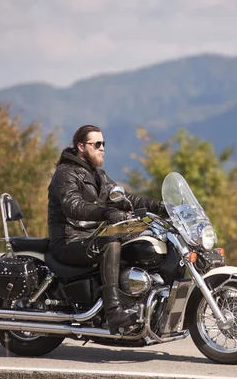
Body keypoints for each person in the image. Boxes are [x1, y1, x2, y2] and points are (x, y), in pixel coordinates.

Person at [47, 124, 166, 334]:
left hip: (89, 238)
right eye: (97, 144)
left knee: (137, 239)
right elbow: (74, 205)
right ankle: (114, 313)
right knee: (111, 244)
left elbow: (127, 197)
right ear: (81, 146)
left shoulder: (98, 175)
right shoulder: (65, 174)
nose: (102, 148)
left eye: (104, 144)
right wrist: (105, 212)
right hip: (69, 240)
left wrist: (162, 207)